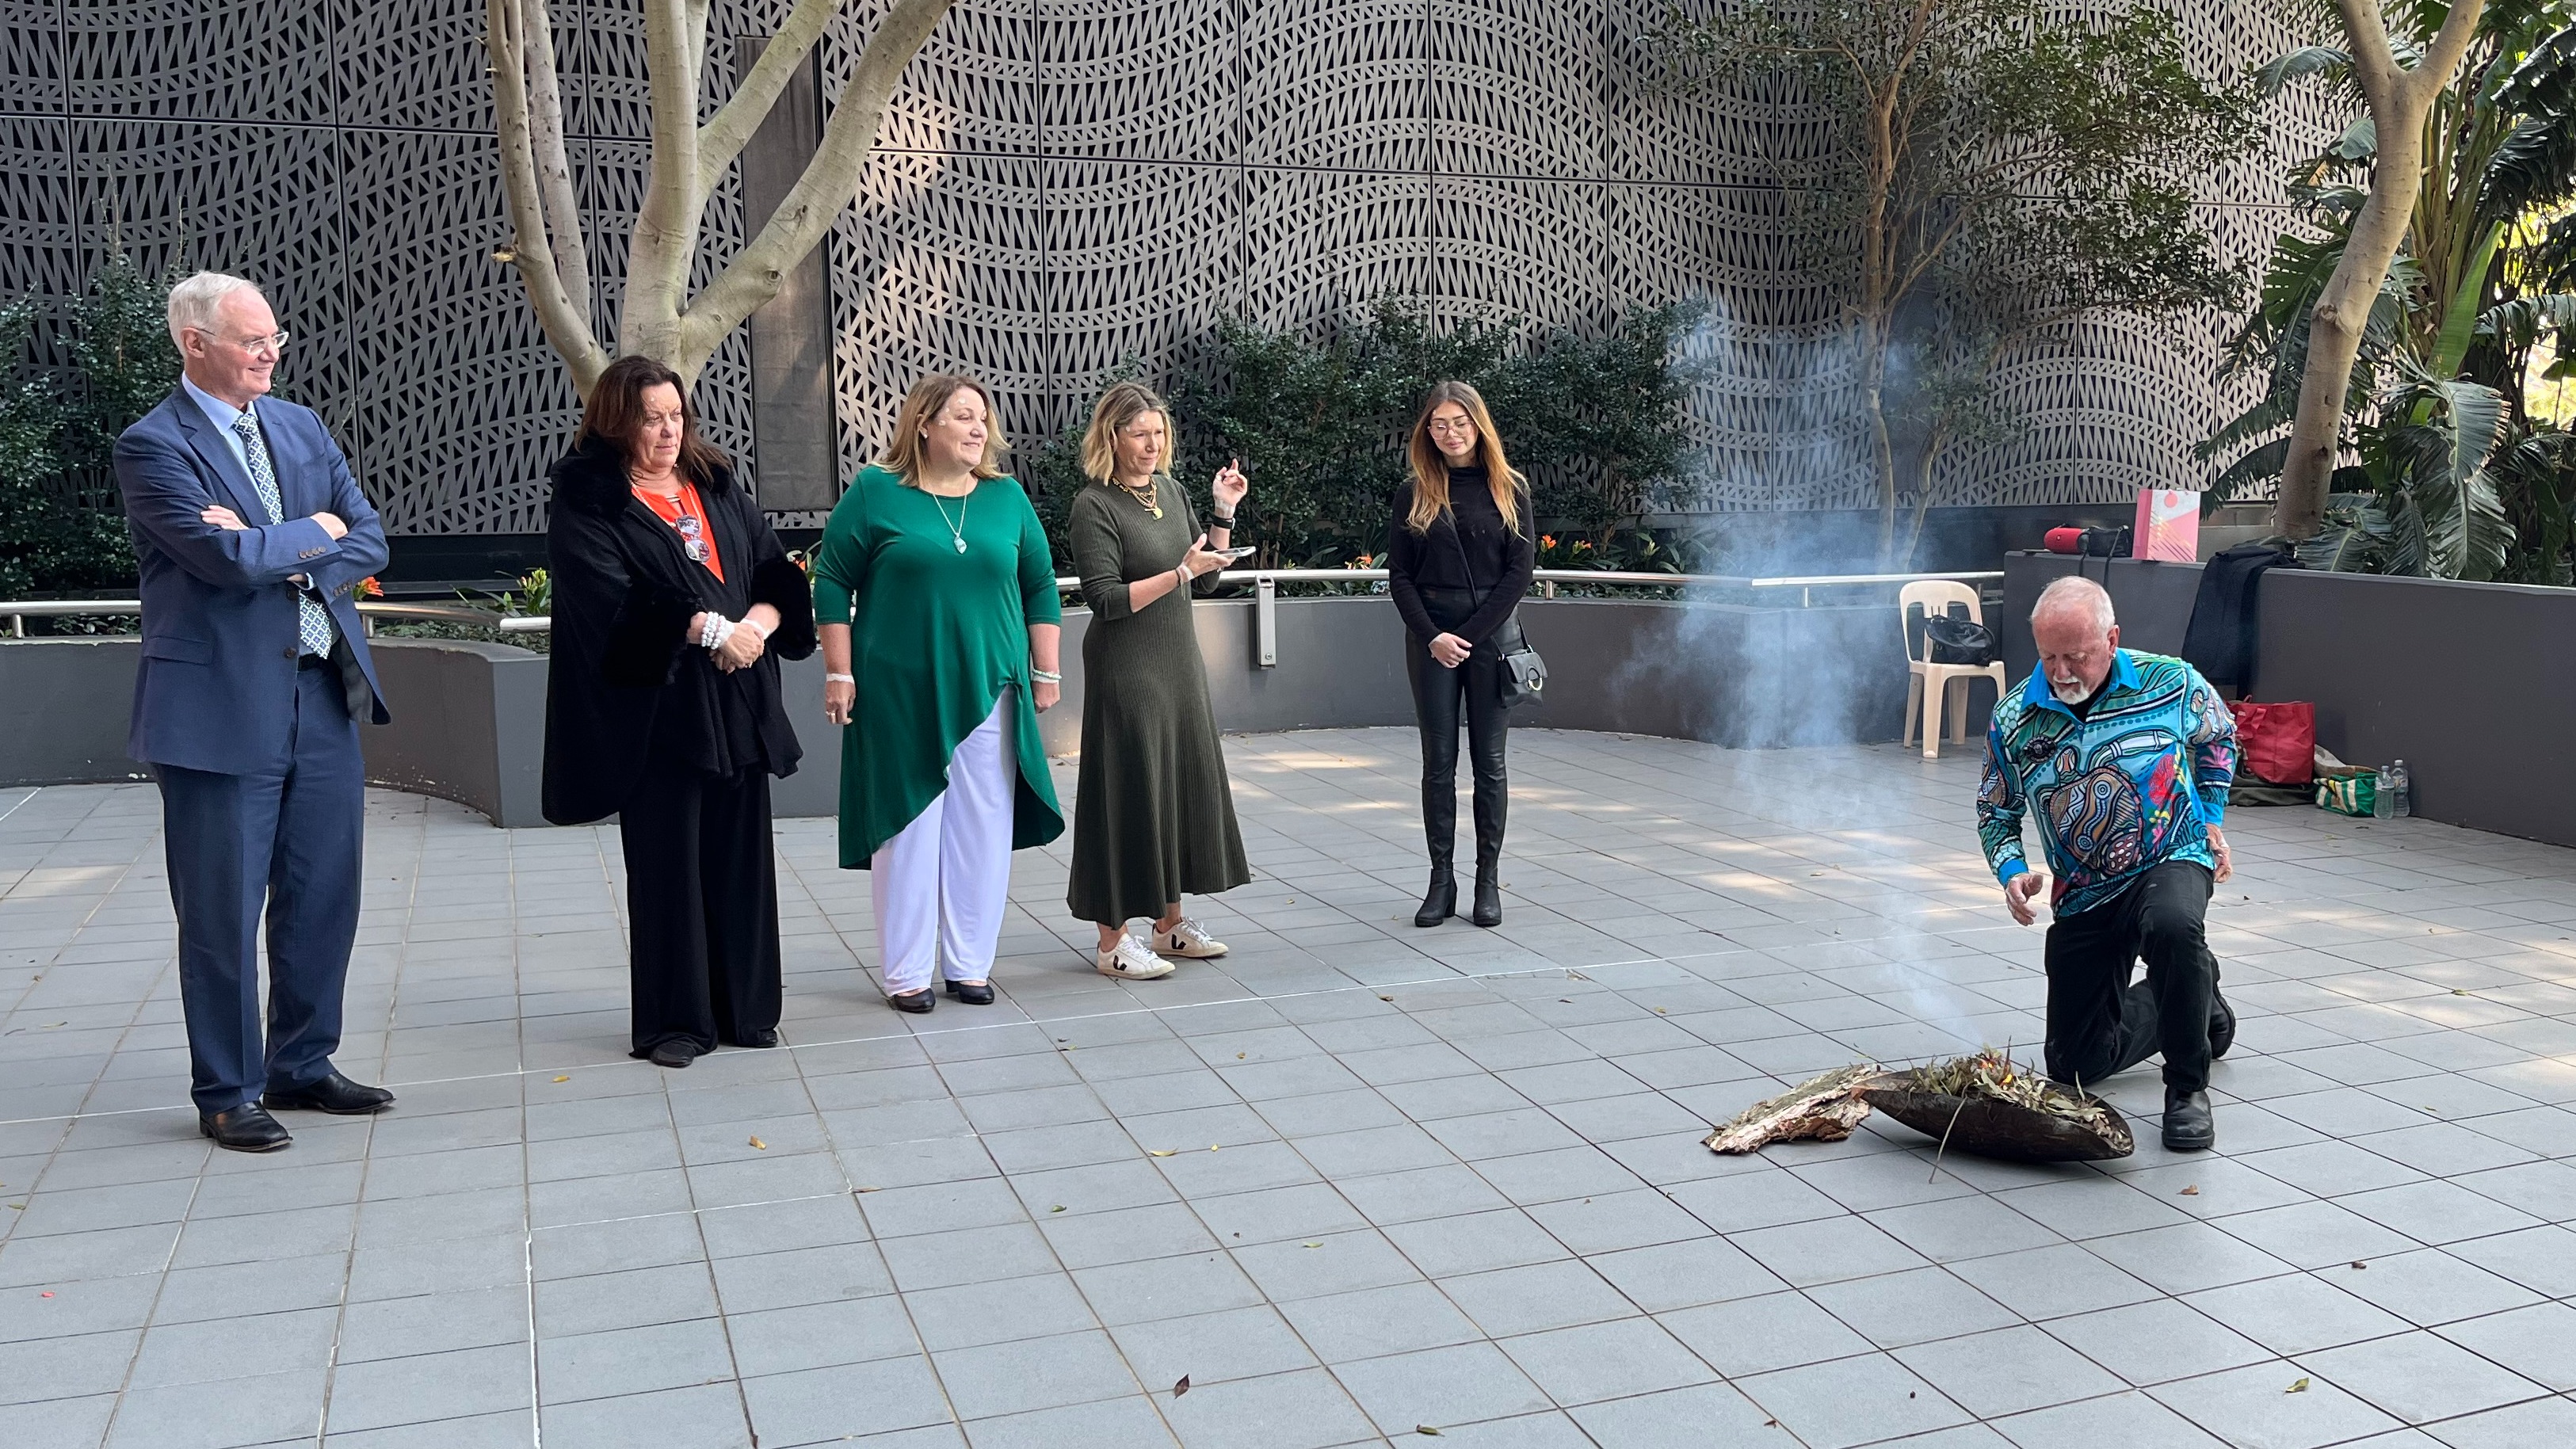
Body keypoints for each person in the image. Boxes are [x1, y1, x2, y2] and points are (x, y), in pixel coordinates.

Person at [114, 271, 394, 1152]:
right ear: (195, 343)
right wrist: (314, 533)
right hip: (217, 707)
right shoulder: (152, 444)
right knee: (223, 909)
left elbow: (371, 535)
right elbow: (219, 560)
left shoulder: (299, 424)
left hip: (320, 692)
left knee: (323, 893)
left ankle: (302, 1063)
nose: (271, 352)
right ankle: (228, 1090)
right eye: (251, 340)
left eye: (274, 337)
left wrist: (288, 537)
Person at [541, 356, 816, 1069]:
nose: (667, 431)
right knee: (668, 867)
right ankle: (674, 1022)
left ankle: (746, 1010)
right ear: (615, 421)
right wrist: (711, 631)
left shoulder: (715, 480)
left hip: (738, 700)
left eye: (675, 415)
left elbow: (773, 567)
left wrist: (753, 624)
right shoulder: (588, 497)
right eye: (650, 418)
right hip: (661, 710)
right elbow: (608, 599)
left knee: (741, 858)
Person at [814, 376, 1065, 1012]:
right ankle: (905, 972)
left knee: (981, 826)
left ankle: (970, 966)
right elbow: (831, 580)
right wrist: (839, 672)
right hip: (897, 688)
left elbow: (1039, 585)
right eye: (962, 416)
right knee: (909, 826)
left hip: (991, 683)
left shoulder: (1006, 498)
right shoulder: (876, 491)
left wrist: (1047, 670)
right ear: (924, 423)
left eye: (982, 418)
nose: (978, 428)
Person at [1978, 574, 2241, 1152]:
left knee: (2173, 926)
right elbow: (1995, 811)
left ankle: (2187, 1089)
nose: (2061, 672)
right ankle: (2199, 996)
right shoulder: (2014, 717)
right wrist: (2010, 870)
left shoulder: (2169, 680)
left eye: (2075, 656)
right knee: (2074, 1064)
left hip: (2170, 853)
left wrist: (2212, 813)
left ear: (2111, 639)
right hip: (2083, 890)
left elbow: (2220, 736)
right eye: (2047, 656)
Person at [1065, 382, 1254, 979]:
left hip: (1177, 664)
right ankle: (1110, 939)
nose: (1152, 444)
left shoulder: (1170, 493)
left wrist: (1222, 513)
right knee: (1126, 790)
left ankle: (1169, 926)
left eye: (1159, 433)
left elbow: (1204, 582)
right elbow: (1105, 599)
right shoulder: (1092, 505)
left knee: (1172, 785)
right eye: (1139, 433)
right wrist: (1178, 571)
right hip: (1127, 667)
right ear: (1111, 436)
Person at [1387, 381, 1536, 929]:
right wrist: (1433, 636)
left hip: (1489, 640)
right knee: (1437, 766)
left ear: (1478, 425)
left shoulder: (1507, 487)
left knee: (1489, 766)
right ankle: (1440, 883)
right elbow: (1399, 574)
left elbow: (1518, 572)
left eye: (1459, 422)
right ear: (1426, 430)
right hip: (1430, 638)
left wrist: (1467, 636)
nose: (1449, 433)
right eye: (1438, 423)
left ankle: (1486, 884)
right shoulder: (1414, 490)